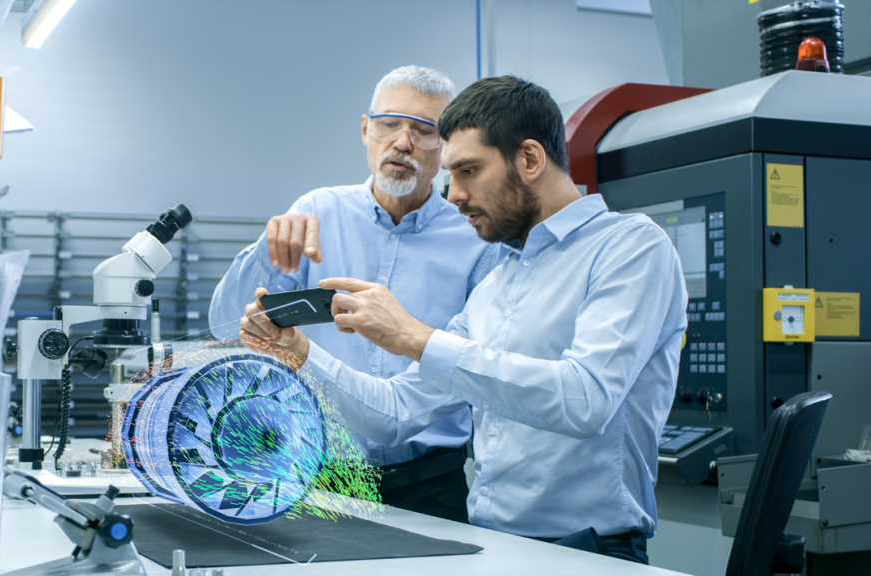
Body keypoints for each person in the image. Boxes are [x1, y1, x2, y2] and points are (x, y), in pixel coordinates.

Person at [240, 76, 687, 565]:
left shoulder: (630, 247)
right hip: (491, 545)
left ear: (531, 159)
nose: (453, 195)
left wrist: (415, 337)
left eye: (469, 171)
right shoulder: (499, 281)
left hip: (589, 549)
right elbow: (394, 414)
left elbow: (585, 400)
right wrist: (300, 354)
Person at [209, 66, 502, 523]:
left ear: (446, 148)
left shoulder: (475, 239)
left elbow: (471, 364)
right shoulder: (315, 212)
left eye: (424, 130)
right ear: (366, 130)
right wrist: (265, 253)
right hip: (318, 474)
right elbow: (227, 325)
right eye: (389, 124)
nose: (402, 142)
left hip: (429, 484)